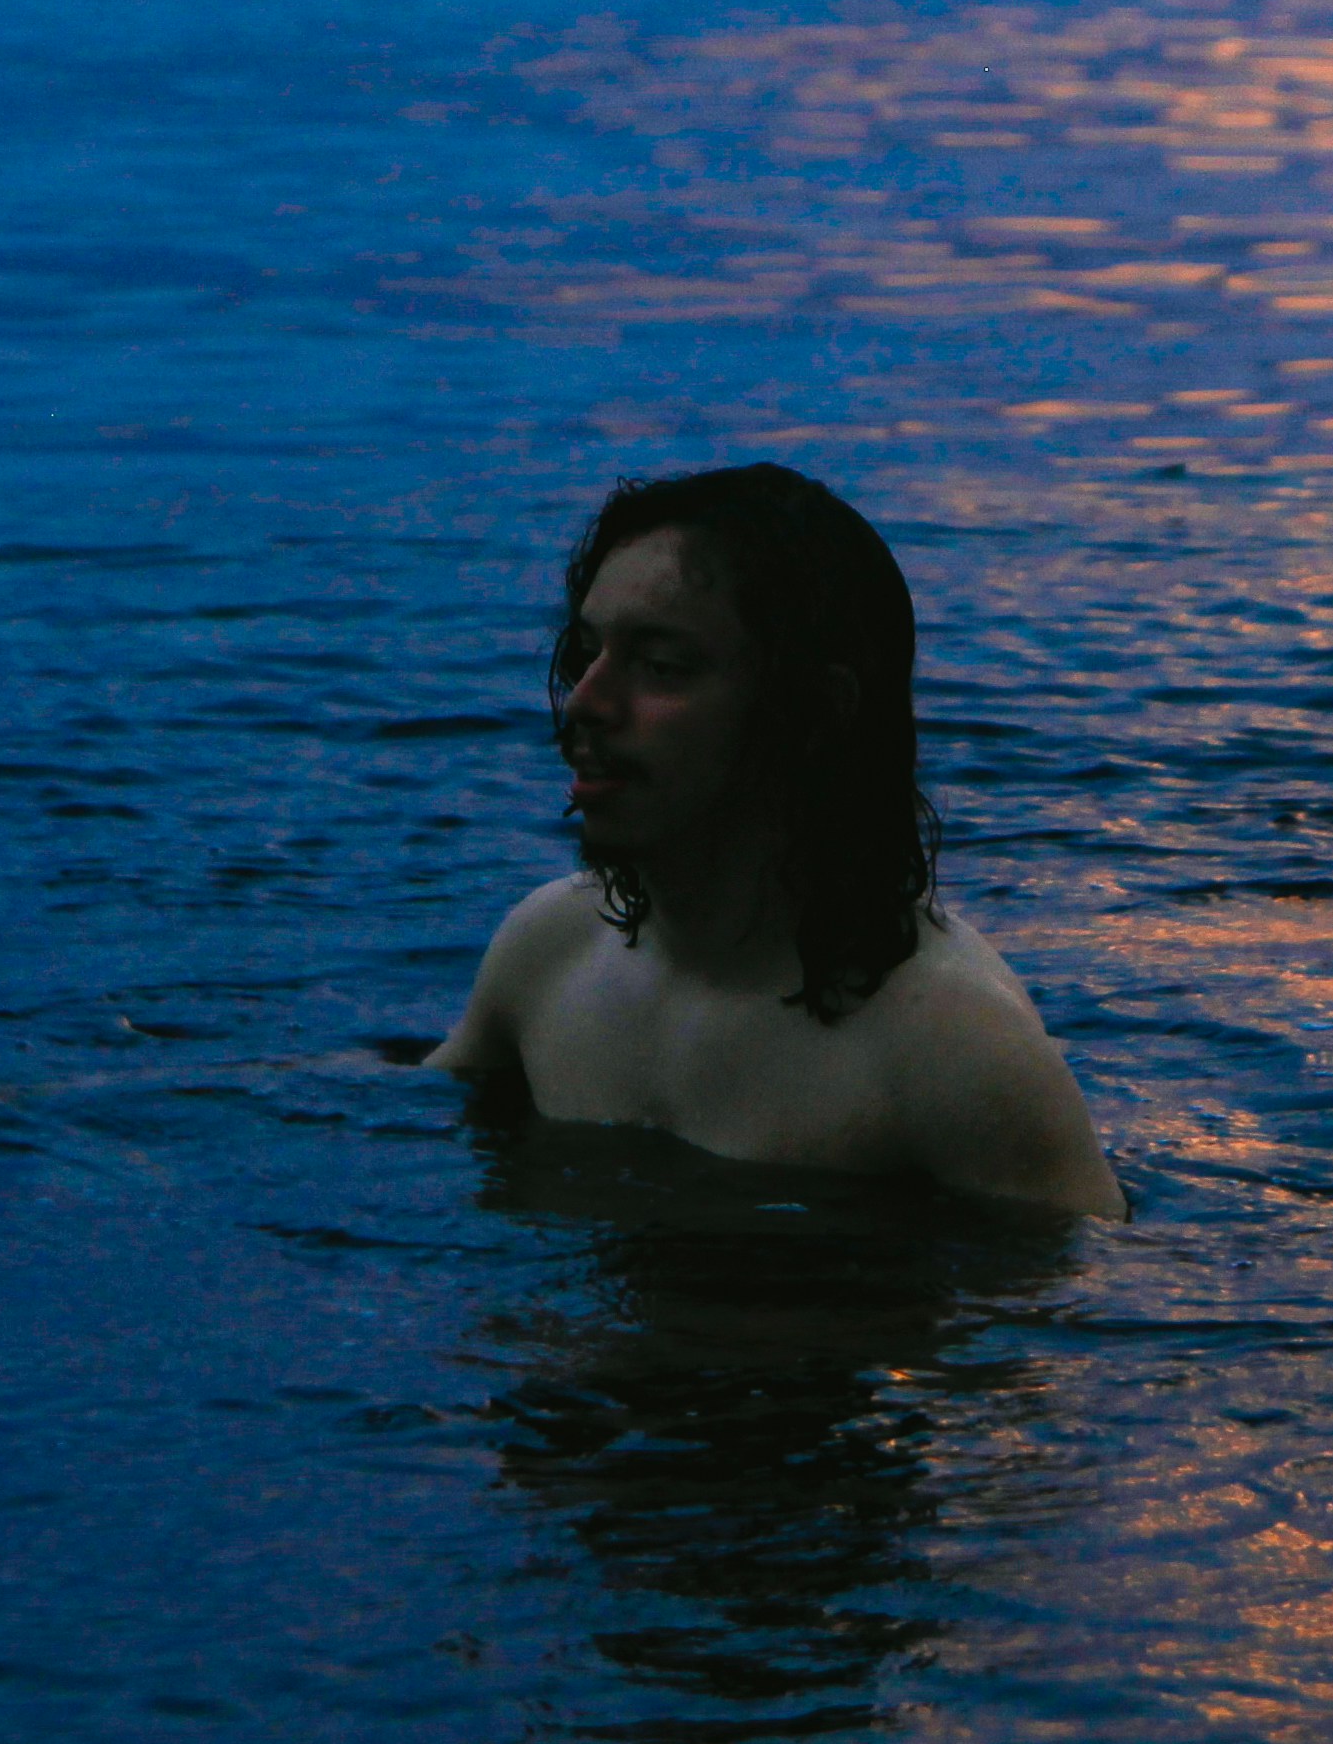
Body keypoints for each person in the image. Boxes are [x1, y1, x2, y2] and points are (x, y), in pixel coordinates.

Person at [435, 464, 1125, 1220]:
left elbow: (1094, 1281)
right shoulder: (547, 954)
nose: (584, 704)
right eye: (585, 654)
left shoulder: (950, 1049)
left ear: (814, 713)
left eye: (661, 666)